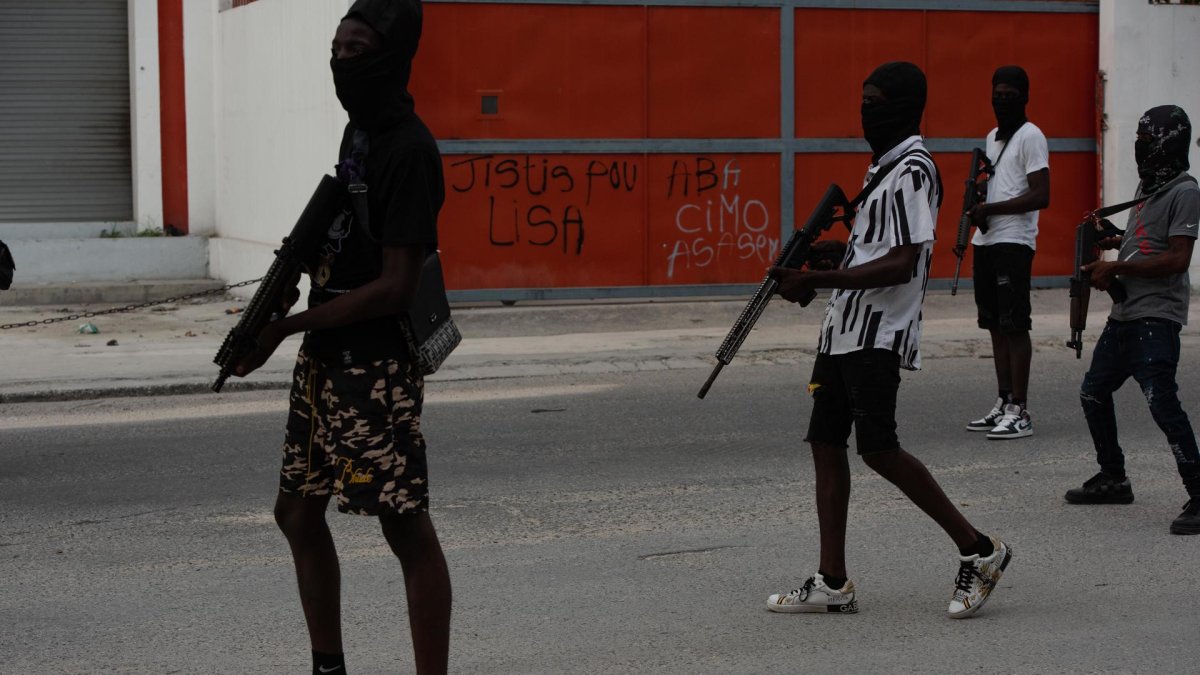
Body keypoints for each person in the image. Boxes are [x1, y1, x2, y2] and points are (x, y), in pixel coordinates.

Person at [233, 1, 452, 672]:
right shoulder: (358, 133)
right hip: (325, 359)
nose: (341, 61)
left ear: (389, 57)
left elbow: (393, 284)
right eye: (336, 48)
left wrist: (285, 326)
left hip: (374, 367)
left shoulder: (410, 151)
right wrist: (295, 279)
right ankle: (328, 664)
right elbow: (349, 235)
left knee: (405, 528)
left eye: (356, 50)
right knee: (295, 514)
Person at [766, 62, 1012, 619]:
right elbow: (877, 248)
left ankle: (981, 550)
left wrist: (817, 279)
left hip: (878, 334)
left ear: (903, 107)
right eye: (863, 100)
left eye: (875, 102)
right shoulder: (883, 168)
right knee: (825, 445)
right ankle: (833, 582)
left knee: (879, 450)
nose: (865, 111)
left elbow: (903, 263)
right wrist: (833, 255)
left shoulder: (915, 171)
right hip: (843, 330)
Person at [1064, 105, 1200, 536]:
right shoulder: (1150, 186)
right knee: (1093, 393)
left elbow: (1178, 257)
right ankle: (1113, 477)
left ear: (1166, 144)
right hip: (1126, 313)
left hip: (1156, 317)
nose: (1139, 149)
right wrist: (1113, 237)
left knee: (1163, 402)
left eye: (1145, 142)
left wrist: (1117, 269)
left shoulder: (1185, 191)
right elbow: (1148, 239)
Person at [963, 66, 1050, 440]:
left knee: (1015, 325)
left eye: (1009, 94)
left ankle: (1020, 409)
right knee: (995, 325)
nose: (1001, 100)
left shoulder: (1032, 137)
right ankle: (1003, 401)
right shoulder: (993, 137)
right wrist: (981, 200)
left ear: (1024, 96)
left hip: (1014, 240)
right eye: (996, 94)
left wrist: (992, 209)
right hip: (986, 241)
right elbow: (1002, 186)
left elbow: (1040, 195)